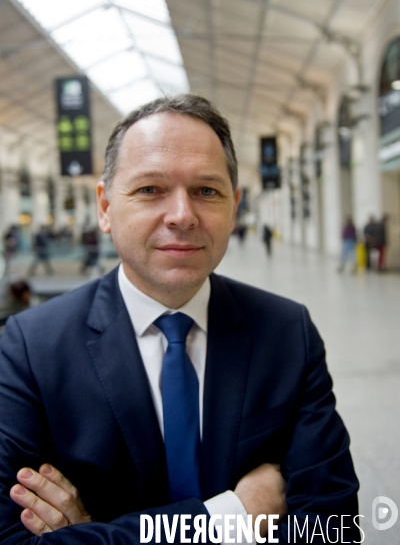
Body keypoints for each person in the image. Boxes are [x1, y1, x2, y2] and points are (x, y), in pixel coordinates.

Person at [0, 95, 359, 544]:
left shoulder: (287, 333)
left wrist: (95, 536)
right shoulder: (31, 347)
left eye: (207, 191)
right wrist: (233, 516)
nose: (182, 216)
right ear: (106, 206)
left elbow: (334, 527)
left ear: (234, 207)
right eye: (150, 189)